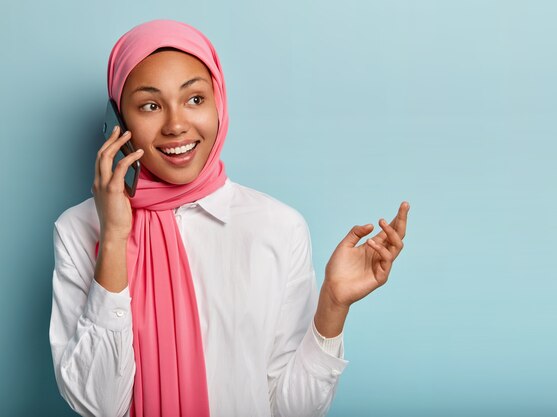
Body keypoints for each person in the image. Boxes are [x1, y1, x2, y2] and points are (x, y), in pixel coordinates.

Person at [49, 19, 409, 417]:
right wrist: (115, 238)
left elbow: (293, 410)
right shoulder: (80, 230)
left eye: (195, 99)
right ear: (118, 122)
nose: (175, 125)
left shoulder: (278, 227)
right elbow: (98, 406)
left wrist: (333, 306)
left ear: (219, 103)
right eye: (150, 105)